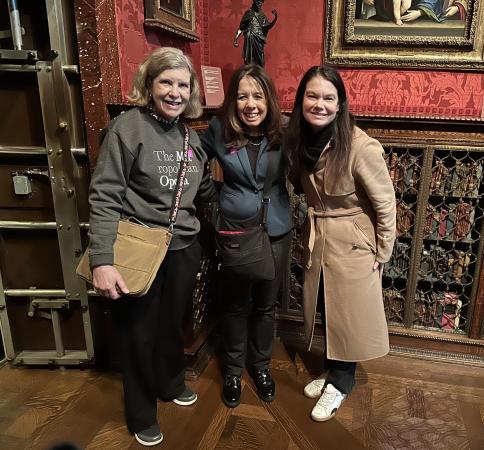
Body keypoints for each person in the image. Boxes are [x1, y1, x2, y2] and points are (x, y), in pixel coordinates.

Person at [88, 47, 216, 446]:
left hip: (181, 248)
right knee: (137, 332)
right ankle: (141, 412)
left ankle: (170, 382)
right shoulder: (126, 129)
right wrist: (102, 261)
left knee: (170, 326)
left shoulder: (189, 136)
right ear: (149, 84)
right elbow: (104, 196)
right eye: (166, 82)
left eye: (182, 84)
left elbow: (203, 191)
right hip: (139, 250)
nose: (175, 92)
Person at [284, 65, 396, 422]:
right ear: (302, 100)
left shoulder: (361, 146)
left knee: (348, 315)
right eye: (312, 96)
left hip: (353, 242)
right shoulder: (301, 140)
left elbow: (385, 203)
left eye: (328, 98)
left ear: (340, 103)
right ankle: (334, 371)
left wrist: (383, 251)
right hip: (319, 239)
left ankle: (341, 384)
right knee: (325, 307)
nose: (319, 104)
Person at [201, 64, 292, 408]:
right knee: (236, 305)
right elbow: (194, 161)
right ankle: (233, 372)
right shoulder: (219, 129)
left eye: (257, 96)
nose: (250, 104)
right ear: (232, 100)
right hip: (236, 231)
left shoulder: (284, 131)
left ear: (268, 99)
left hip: (277, 229)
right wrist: (216, 193)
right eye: (242, 96)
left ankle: (261, 367)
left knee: (266, 306)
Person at [233, 0, 278, 67]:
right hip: (250, 38)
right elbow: (241, 28)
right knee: (249, 60)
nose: (259, 5)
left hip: (259, 39)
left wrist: (275, 18)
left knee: (260, 62)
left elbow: (268, 26)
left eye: (261, 3)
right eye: (258, 3)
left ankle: (259, 74)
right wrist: (235, 39)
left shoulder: (262, 15)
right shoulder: (248, 13)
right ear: (254, 2)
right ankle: (249, 73)